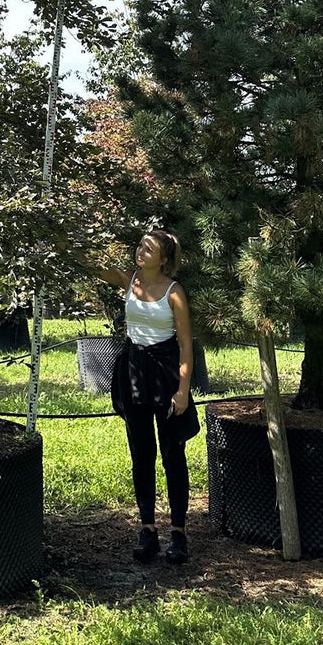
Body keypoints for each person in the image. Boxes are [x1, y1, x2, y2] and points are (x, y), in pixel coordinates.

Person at [62, 229, 198, 565]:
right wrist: (62, 241)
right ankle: (147, 529)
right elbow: (91, 265)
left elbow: (185, 345)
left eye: (149, 248)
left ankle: (178, 532)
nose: (140, 251)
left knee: (172, 454)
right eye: (140, 246)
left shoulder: (174, 292)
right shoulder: (130, 280)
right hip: (134, 371)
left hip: (165, 374)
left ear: (164, 258)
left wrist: (182, 390)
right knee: (141, 453)